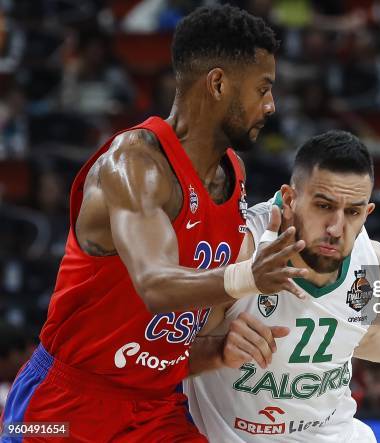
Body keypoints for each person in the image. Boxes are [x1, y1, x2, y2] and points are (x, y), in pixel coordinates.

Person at [1, 5, 308, 442]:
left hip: (155, 406)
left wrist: (222, 345)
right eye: (263, 89)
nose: (271, 105)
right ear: (218, 83)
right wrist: (249, 276)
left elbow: (182, 332)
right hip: (65, 405)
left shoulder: (233, 174)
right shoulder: (134, 166)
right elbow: (155, 287)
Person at [184, 131, 380, 442]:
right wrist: (215, 349)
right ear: (289, 199)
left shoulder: (373, 262)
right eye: (324, 206)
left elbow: (368, 334)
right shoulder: (237, 248)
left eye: (353, 212)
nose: (336, 228)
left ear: (367, 213)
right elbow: (162, 358)